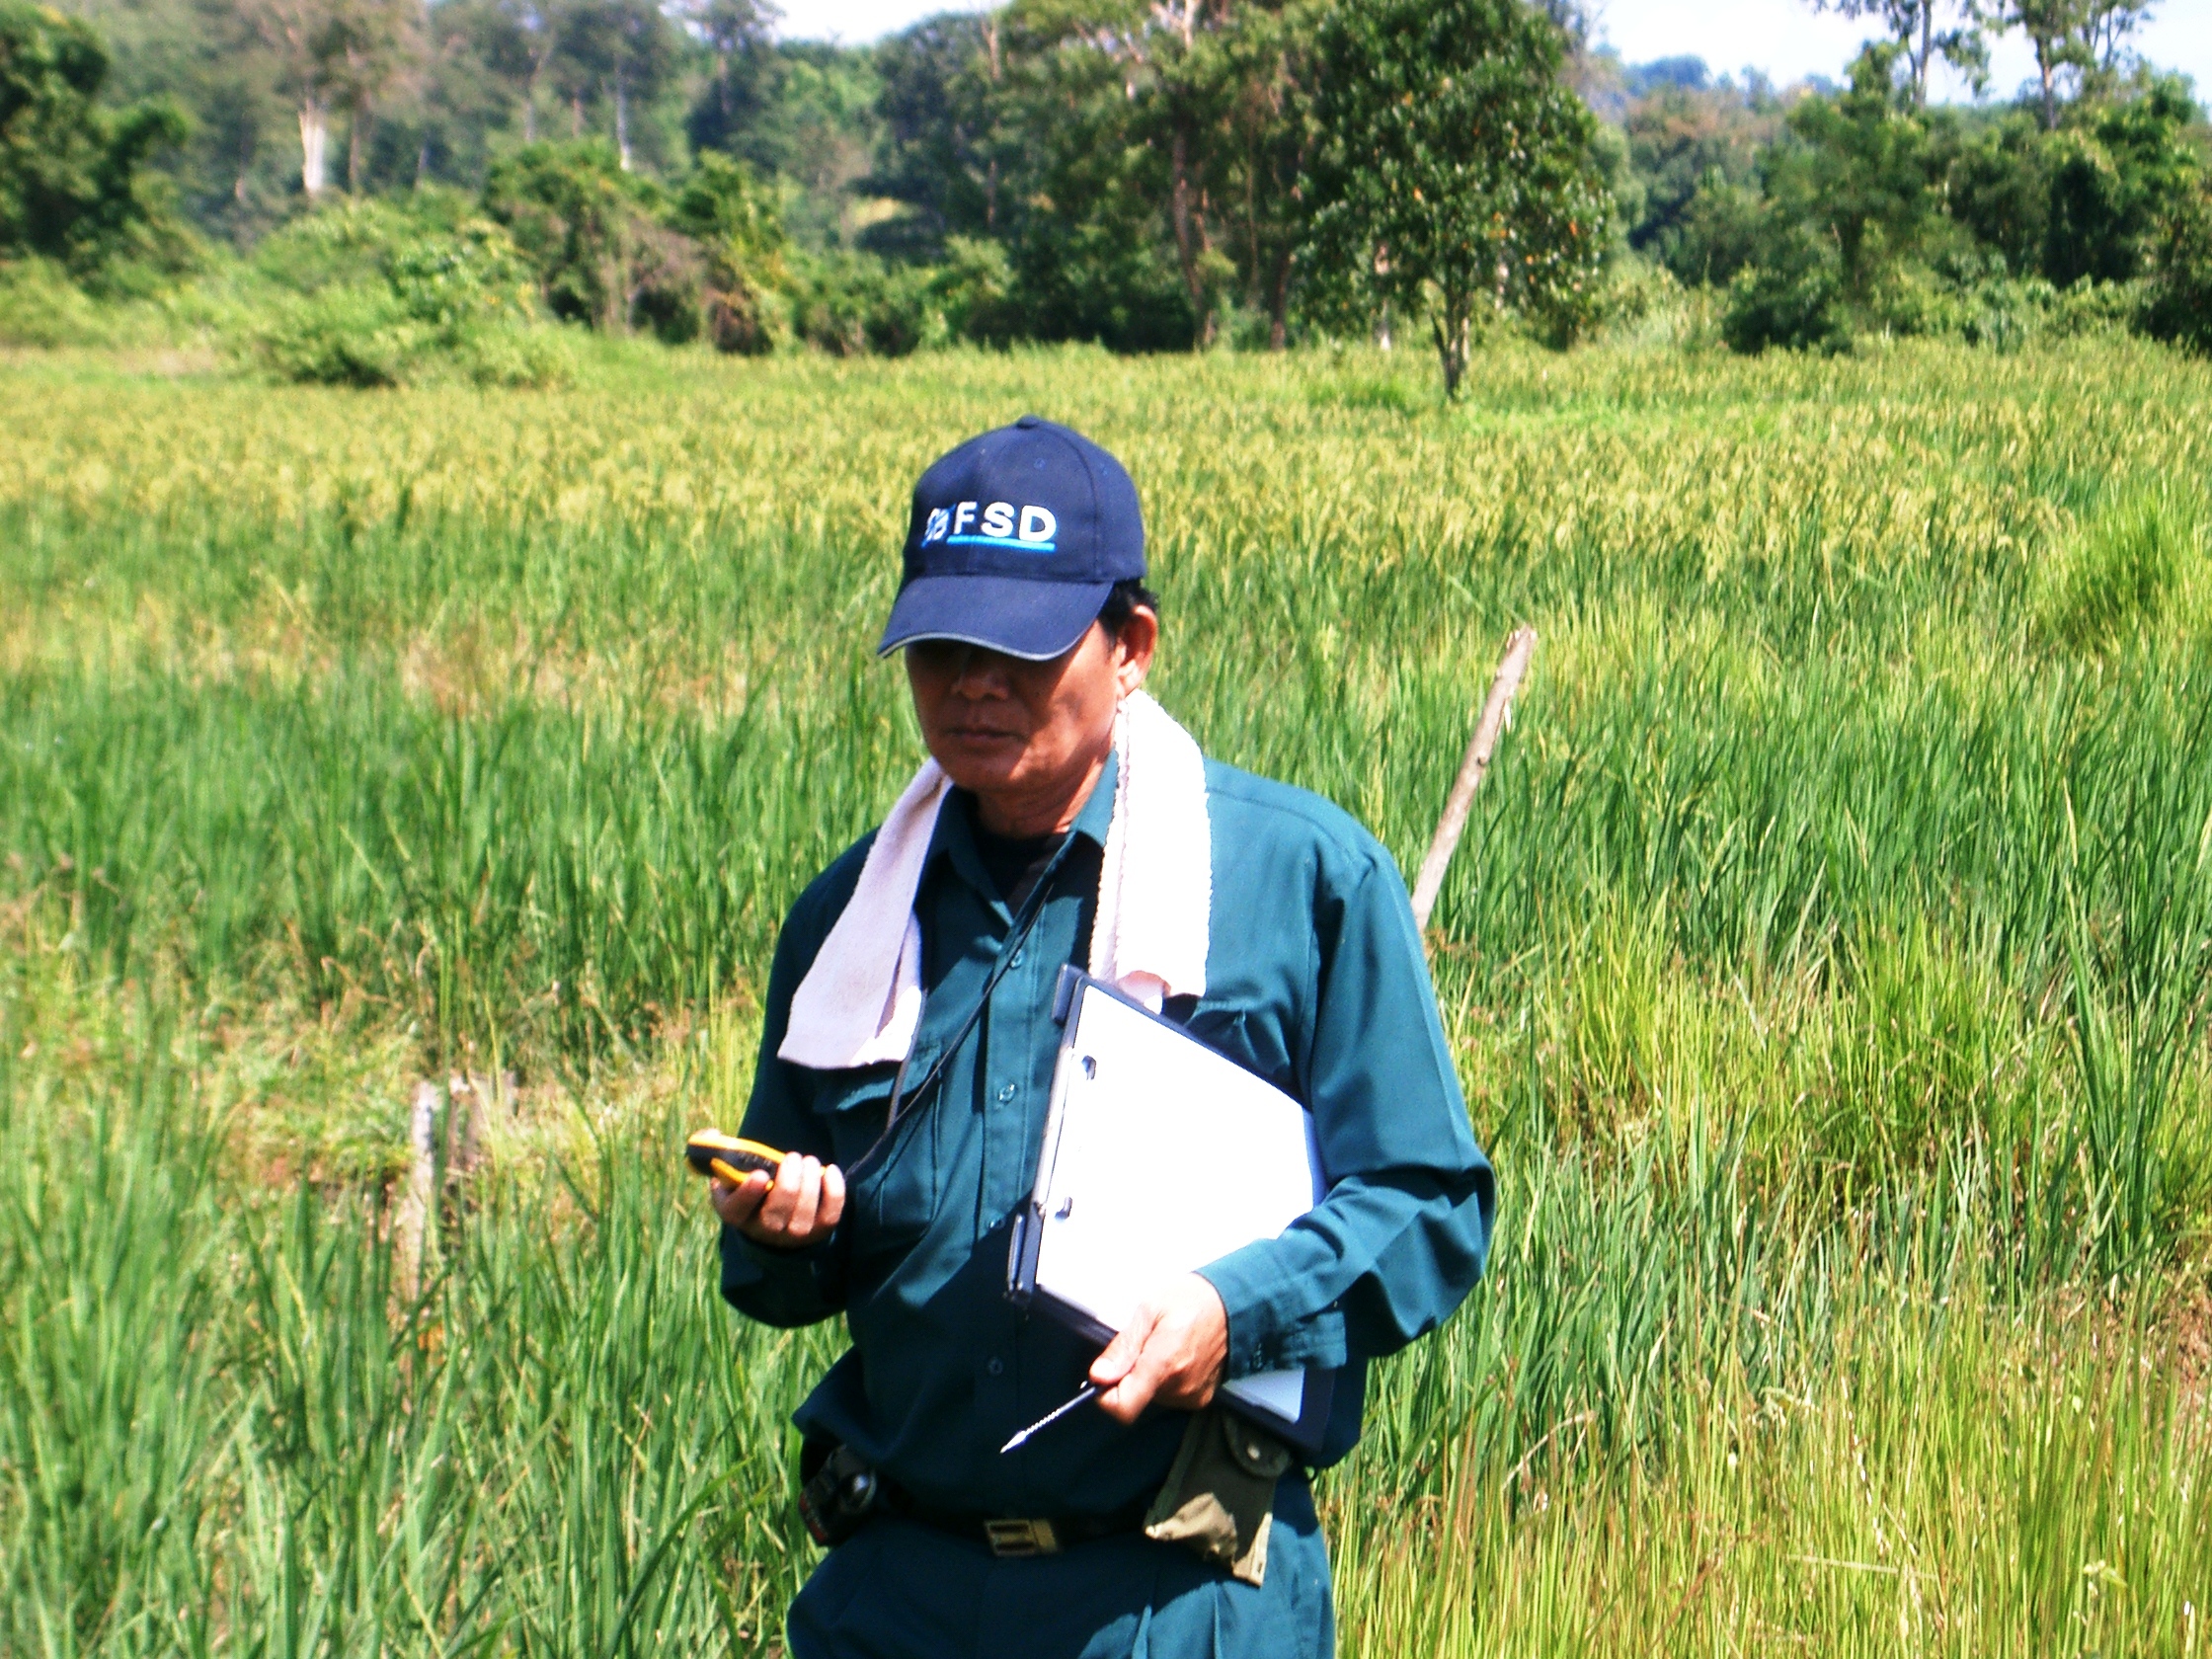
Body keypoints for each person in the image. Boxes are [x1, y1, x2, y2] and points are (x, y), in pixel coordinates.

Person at [713, 415, 1494, 1658]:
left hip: (1172, 1603)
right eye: (941, 648)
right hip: (896, 1597)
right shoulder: (851, 921)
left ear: (1129, 646)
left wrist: (1232, 1312)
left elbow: (1426, 1205)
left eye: (1018, 650)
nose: (973, 683)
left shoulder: (1294, 882)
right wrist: (784, 1234)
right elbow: (775, 1285)